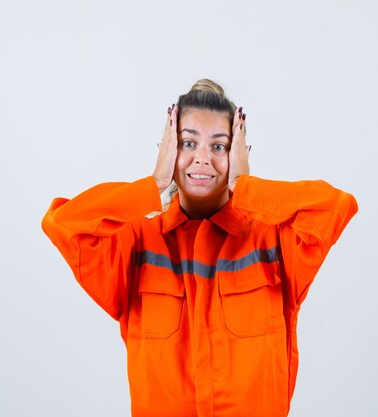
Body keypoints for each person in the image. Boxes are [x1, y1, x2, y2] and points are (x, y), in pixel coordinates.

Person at [41, 79, 358, 417]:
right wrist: (154, 184)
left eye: (219, 146)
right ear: (166, 150)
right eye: (187, 143)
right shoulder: (137, 242)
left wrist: (243, 187)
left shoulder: (273, 240)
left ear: (240, 154)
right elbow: (64, 224)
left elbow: (335, 206)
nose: (202, 159)